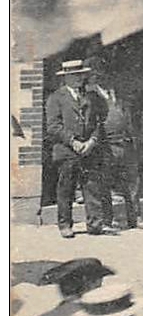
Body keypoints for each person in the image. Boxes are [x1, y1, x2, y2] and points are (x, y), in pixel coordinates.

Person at [45, 58, 110, 238]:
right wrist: (73, 141)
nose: (78, 79)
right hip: (67, 151)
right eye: (74, 76)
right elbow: (53, 126)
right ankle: (65, 225)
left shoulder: (91, 97)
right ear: (65, 78)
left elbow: (98, 123)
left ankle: (95, 224)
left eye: (80, 75)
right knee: (66, 188)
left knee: (92, 187)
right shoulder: (56, 98)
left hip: (89, 150)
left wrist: (92, 141)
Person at [89, 60, 143, 230]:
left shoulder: (119, 95)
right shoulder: (92, 97)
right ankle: (107, 220)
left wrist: (134, 138)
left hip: (126, 143)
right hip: (106, 145)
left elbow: (129, 117)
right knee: (105, 183)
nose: (105, 78)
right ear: (94, 77)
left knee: (132, 183)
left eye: (108, 74)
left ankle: (135, 218)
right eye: (99, 74)